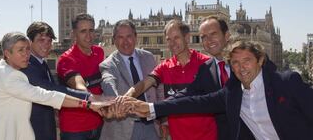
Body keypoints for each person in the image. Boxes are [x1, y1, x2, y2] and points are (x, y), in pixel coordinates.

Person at [128, 40, 313, 140]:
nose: (242, 68)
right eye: (235, 63)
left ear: (260, 61)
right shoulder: (233, 93)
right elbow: (194, 103)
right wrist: (151, 108)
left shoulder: (287, 82)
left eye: (247, 61)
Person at [0, 32, 109, 140]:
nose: (26, 54)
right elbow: (45, 95)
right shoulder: (9, 76)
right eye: (20, 50)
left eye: (28, 49)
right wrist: (88, 104)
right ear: (7, 54)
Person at [124, 19, 216, 140]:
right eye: (168, 39)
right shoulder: (165, 66)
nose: (172, 43)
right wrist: (126, 97)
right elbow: (144, 84)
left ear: (187, 38)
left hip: (207, 136)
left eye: (176, 38)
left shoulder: (206, 63)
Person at [21, 22, 93, 140]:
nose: (46, 44)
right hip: (34, 132)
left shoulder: (42, 63)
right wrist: (88, 97)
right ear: (30, 42)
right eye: (41, 40)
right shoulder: (28, 65)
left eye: (49, 41)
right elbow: (51, 89)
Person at [99, 20, 165, 140]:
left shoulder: (149, 57)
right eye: (120, 37)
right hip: (124, 128)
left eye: (129, 36)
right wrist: (116, 102)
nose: (125, 42)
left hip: (151, 124)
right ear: (114, 40)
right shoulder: (108, 64)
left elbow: (160, 89)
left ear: (136, 37)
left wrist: (163, 120)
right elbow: (108, 82)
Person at [181, 16, 231, 140]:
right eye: (203, 37)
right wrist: (151, 108)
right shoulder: (205, 69)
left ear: (227, 36)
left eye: (213, 34)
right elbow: (185, 95)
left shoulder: (249, 61)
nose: (209, 41)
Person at [57, 13, 104, 140]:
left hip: (98, 124)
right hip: (75, 129)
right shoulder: (66, 59)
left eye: (91, 30)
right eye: (83, 31)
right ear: (73, 34)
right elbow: (79, 85)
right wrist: (100, 101)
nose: (89, 36)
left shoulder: (99, 52)